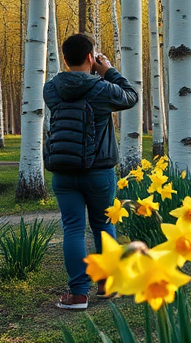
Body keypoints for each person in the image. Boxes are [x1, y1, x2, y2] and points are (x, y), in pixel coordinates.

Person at [43, 34, 138, 310]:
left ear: (64, 59)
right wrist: (107, 70)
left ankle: (77, 295)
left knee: (72, 227)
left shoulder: (51, 89)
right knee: (103, 224)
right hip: (98, 170)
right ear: (90, 58)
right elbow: (130, 96)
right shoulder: (101, 88)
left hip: (63, 170)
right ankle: (107, 284)